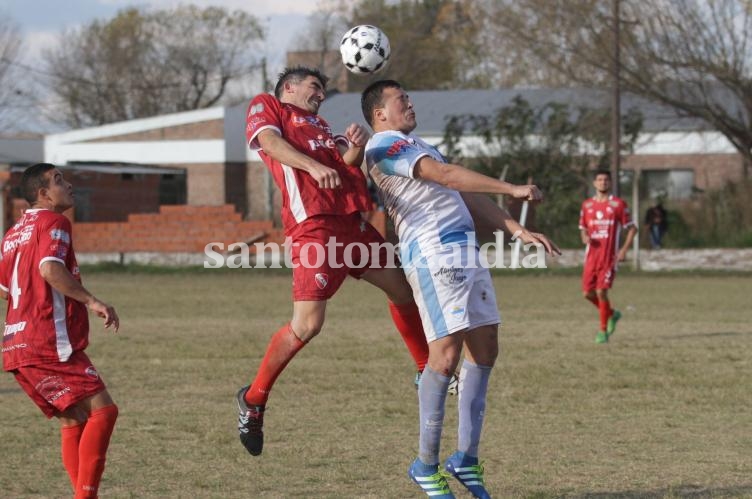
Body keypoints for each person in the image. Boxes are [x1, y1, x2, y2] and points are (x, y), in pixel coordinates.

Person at [361, 80, 560, 498]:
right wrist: (511, 188)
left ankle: (465, 460)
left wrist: (517, 228)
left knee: (485, 347)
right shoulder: (382, 146)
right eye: (401, 100)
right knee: (446, 353)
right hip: (433, 254)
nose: (410, 103)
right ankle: (425, 465)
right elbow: (448, 177)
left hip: (465, 250)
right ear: (380, 113)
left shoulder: (421, 146)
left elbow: (465, 196)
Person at [238, 66, 434, 457]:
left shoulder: (323, 127)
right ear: (289, 88)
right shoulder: (269, 106)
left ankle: (425, 370)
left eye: (323, 90)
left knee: (403, 288)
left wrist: (355, 148)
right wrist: (312, 165)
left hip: (351, 226)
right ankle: (253, 401)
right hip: (315, 228)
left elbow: (345, 167)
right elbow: (271, 144)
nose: (320, 95)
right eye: (314, 87)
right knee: (308, 325)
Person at [1, 163, 120, 499]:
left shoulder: (13, 233)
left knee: (73, 421)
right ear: (43, 194)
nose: (68, 185)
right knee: (104, 410)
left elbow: (5, 287)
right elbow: (50, 269)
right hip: (46, 341)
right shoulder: (55, 222)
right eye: (58, 181)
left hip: (15, 345)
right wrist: (93, 301)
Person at [579, 170, 638, 344]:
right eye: (599, 179)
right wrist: (584, 237)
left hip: (609, 257)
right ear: (594, 183)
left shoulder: (618, 205)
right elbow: (583, 227)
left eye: (606, 180)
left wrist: (623, 250)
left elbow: (632, 228)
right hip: (591, 256)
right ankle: (612, 313)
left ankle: (603, 331)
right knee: (587, 294)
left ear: (610, 183)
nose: (603, 182)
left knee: (601, 291)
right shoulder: (587, 206)